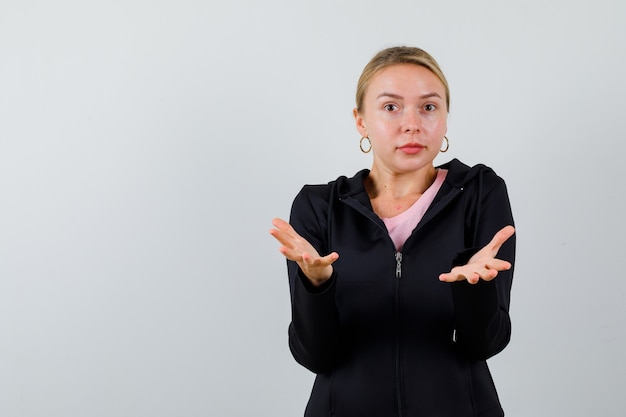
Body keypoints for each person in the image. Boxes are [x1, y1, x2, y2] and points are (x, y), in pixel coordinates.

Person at [269, 46, 516, 417]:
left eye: (429, 107)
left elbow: (485, 344)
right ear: (360, 121)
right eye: (391, 107)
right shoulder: (320, 207)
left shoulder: (479, 193)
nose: (412, 123)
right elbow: (315, 356)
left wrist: (474, 289)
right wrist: (317, 285)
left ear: (446, 119)